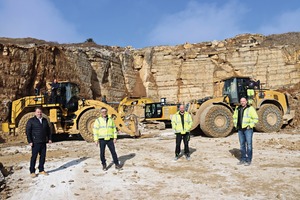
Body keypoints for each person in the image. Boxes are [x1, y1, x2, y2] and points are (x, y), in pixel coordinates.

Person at [26, 107, 52, 177]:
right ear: (35, 113)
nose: (39, 113)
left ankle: (41, 169)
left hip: (43, 141)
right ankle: (32, 171)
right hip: (35, 142)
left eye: (40, 112)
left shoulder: (45, 120)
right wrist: (30, 141)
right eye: (38, 112)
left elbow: (48, 130)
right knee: (34, 157)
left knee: (43, 156)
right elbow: (28, 132)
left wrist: (49, 138)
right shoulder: (31, 121)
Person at [233, 97, 258, 166]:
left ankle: (248, 160)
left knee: (249, 145)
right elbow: (235, 117)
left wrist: (250, 125)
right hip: (240, 129)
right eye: (241, 101)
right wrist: (236, 125)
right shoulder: (238, 109)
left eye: (244, 101)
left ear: (246, 101)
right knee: (242, 145)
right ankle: (243, 159)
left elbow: (256, 118)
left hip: (248, 129)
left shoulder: (250, 109)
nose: (242, 102)